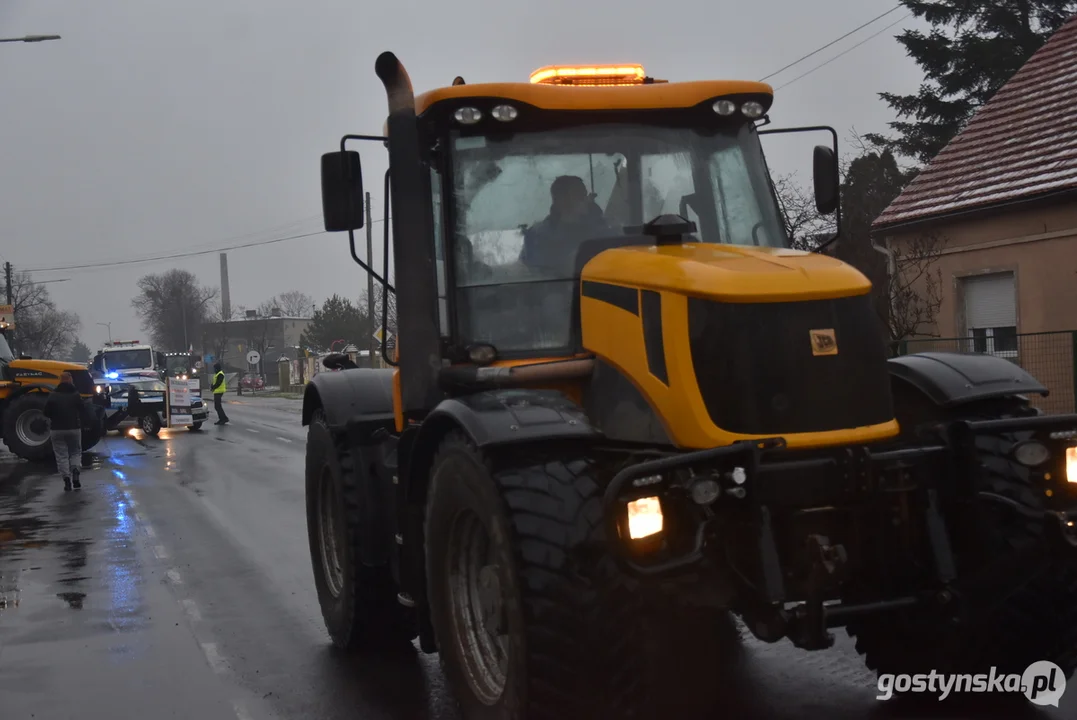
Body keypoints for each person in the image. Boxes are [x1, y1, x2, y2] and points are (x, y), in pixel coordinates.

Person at [520, 175, 614, 275]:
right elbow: (534, 273)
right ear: (562, 201)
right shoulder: (538, 235)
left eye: (585, 195)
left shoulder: (601, 229)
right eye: (580, 195)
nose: (587, 200)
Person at [44, 371, 87, 491]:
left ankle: (66, 480)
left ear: (60, 381)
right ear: (70, 380)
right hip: (74, 428)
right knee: (75, 452)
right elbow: (83, 409)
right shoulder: (75, 394)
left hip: (56, 430)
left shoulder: (53, 395)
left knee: (61, 455)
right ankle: (75, 473)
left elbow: (46, 412)